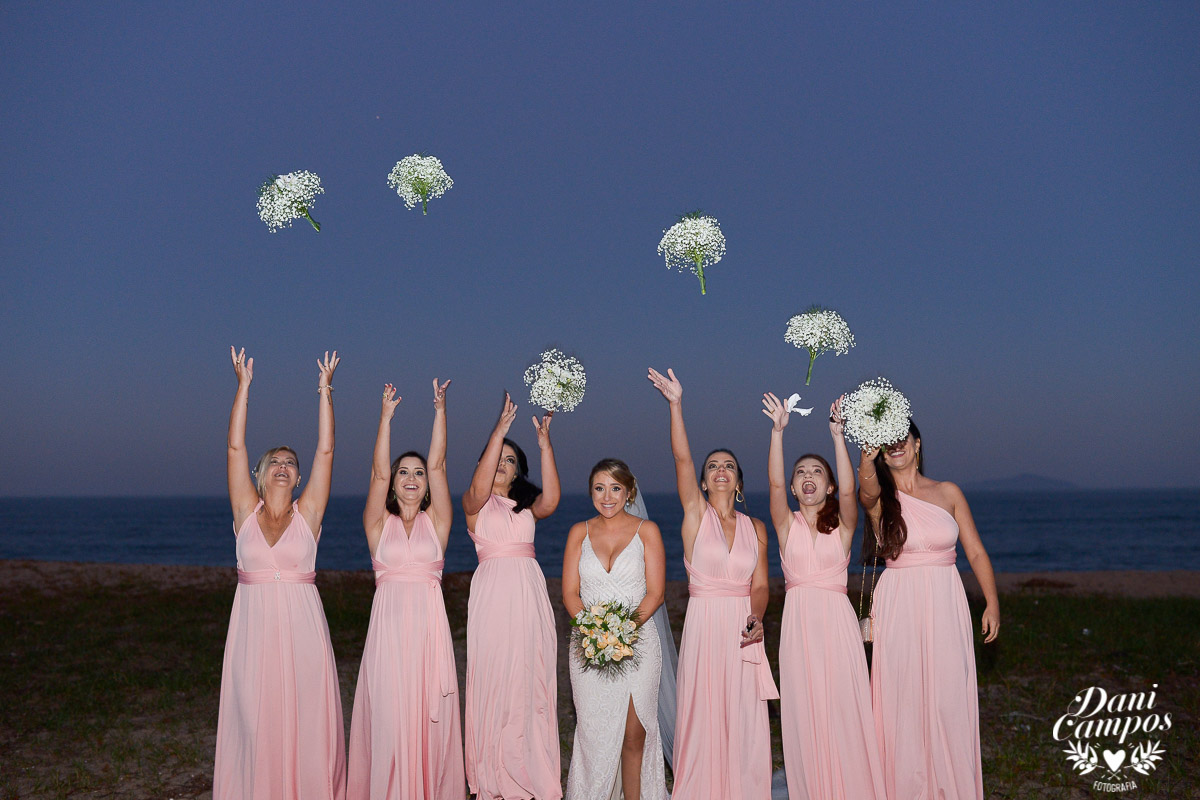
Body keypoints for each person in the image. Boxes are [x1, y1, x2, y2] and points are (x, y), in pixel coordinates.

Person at [214, 347, 346, 800]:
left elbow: (326, 451)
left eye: (291, 462)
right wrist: (243, 387)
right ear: (261, 473)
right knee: (254, 720)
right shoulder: (243, 513)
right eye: (277, 461)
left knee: (304, 720)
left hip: (302, 631)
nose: (285, 466)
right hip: (251, 634)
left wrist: (324, 390)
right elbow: (234, 446)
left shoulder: (307, 515)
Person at [647, 367, 777, 799]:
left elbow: (761, 584)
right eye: (713, 466)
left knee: (743, 712)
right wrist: (676, 404)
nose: (721, 470)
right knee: (704, 711)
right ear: (703, 482)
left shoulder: (756, 526)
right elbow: (682, 458)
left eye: (730, 466)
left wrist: (756, 617)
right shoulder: (694, 516)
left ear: (739, 482)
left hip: (742, 626)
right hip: (704, 625)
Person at [859, 420, 1000, 800]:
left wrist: (992, 602)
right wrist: (864, 457)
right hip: (899, 602)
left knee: (947, 695)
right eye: (886, 442)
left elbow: (974, 550)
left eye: (901, 437)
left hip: (945, 600)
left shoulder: (947, 491)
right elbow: (867, 491)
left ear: (917, 443)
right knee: (902, 697)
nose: (896, 445)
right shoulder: (878, 500)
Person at [762, 393, 885, 799]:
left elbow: (852, 496)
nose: (807, 475)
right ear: (796, 487)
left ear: (828, 485)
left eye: (816, 471)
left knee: (844, 709)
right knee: (805, 713)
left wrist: (838, 436)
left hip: (837, 626)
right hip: (798, 628)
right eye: (801, 472)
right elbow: (773, 483)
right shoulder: (785, 524)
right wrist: (778, 433)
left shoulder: (844, 526)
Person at [347, 379, 464, 799]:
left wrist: (439, 410)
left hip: (429, 637)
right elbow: (377, 470)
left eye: (417, 473)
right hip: (390, 638)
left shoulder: (439, 523)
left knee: (428, 723)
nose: (412, 478)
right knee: (391, 720)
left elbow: (440, 465)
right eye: (404, 472)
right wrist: (385, 417)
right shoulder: (378, 526)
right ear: (394, 483)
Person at [462, 392, 562, 800]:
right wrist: (500, 430)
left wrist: (543, 446)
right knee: (494, 679)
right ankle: (493, 777)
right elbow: (477, 487)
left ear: (519, 471)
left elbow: (552, 500)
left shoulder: (526, 508)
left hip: (528, 595)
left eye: (509, 460)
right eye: (495, 458)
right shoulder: (474, 505)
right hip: (492, 596)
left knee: (529, 679)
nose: (502, 465)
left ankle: (529, 770)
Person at [562, 459, 668, 800]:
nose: (607, 496)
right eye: (599, 488)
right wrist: (594, 632)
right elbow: (569, 593)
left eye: (615, 488)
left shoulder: (646, 531)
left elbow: (656, 592)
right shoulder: (579, 532)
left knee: (634, 733)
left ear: (629, 492)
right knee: (595, 734)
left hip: (639, 644)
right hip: (588, 647)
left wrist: (622, 631)